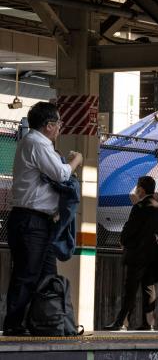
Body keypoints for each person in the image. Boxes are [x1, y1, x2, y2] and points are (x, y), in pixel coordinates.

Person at [3, 102, 82, 336]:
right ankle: (13, 324)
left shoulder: (35, 143)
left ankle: (47, 321)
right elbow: (60, 173)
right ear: (49, 125)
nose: (60, 128)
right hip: (31, 221)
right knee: (27, 273)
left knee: (47, 275)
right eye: (59, 123)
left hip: (40, 221)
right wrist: (75, 160)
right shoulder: (37, 143)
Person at [105, 176, 158, 331]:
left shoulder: (140, 207)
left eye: (137, 186)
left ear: (142, 189)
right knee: (148, 288)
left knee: (130, 289)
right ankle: (148, 323)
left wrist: (123, 240)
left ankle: (122, 322)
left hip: (137, 254)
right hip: (152, 254)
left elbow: (130, 229)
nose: (136, 189)